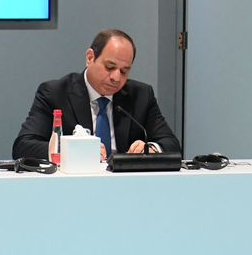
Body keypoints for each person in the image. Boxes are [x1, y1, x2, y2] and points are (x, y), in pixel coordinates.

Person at [13, 29, 180, 160]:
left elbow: (171, 144)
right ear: (90, 57)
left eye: (124, 71)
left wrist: (151, 149)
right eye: (109, 67)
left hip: (127, 186)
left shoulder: (141, 96)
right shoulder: (55, 93)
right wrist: (73, 150)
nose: (116, 78)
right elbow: (23, 147)